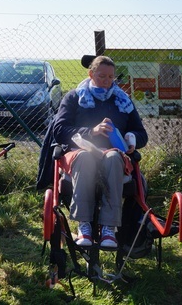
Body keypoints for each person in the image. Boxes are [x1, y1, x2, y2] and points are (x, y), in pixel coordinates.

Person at [52, 55, 148, 248]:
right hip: (79, 152)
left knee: (113, 157)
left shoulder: (122, 101)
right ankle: (84, 226)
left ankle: (108, 229)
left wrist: (131, 139)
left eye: (111, 77)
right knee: (86, 157)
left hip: (113, 153)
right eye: (101, 76)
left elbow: (141, 134)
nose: (106, 81)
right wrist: (91, 131)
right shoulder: (74, 97)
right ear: (91, 74)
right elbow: (59, 131)